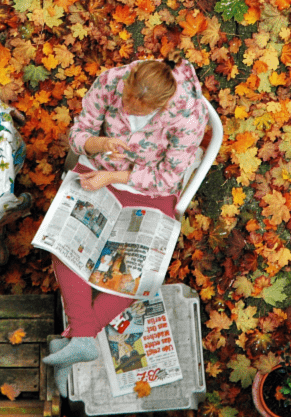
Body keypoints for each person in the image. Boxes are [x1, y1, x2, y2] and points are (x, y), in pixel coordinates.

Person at [42, 59, 207, 390]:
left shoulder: (188, 118)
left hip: (147, 186)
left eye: (138, 106)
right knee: (61, 244)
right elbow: (78, 134)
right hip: (100, 171)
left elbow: (165, 179)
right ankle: (80, 342)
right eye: (127, 97)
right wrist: (99, 144)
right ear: (129, 79)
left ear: (161, 106)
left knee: (132, 275)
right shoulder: (112, 80)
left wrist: (114, 177)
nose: (128, 106)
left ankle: (76, 339)